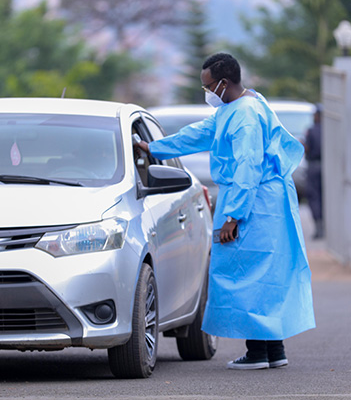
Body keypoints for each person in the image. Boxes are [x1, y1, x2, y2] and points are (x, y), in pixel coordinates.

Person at [134, 53, 315, 370]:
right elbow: (200, 134)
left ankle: (257, 352)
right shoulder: (241, 106)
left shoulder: (244, 116)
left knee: (245, 273)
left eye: (208, 86)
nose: (206, 93)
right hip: (266, 201)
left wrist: (234, 216)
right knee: (265, 272)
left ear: (224, 83)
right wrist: (155, 148)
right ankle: (274, 349)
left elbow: (248, 166)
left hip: (253, 201)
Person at [304, 106, 324, 239]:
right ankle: (326, 227)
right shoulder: (330, 131)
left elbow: (307, 149)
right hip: (328, 167)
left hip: (314, 167)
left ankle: (319, 228)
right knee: (325, 198)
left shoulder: (311, 131)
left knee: (314, 197)